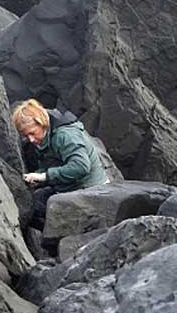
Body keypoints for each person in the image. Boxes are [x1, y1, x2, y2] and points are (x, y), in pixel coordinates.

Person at [12, 98, 108, 231]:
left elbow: (81, 166)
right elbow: (53, 163)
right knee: (33, 202)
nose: (31, 139)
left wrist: (45, 176)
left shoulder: (65, 135)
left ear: (41, 123)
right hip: (69, 187)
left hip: (91, 191)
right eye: (26, 136)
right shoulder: (47, 134)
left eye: (32, 133)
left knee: (39, 208)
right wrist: (36, 177)